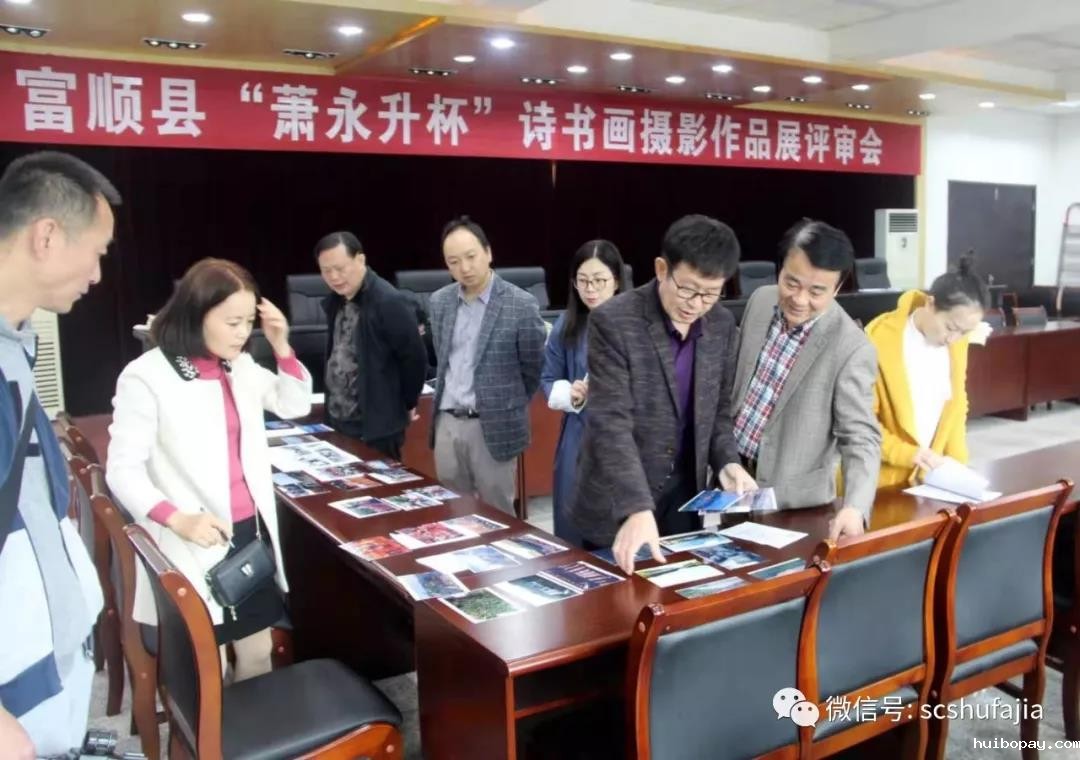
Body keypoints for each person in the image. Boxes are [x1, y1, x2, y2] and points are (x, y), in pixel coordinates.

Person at [107, 258, 311, 682]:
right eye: (232, 322)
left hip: (246, 533)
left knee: (258, 654)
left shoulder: (237, 366)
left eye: (248, 322)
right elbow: (122, 470)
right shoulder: (147, 376)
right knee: (207, 668)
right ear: (196, 313)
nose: (242, 333)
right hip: (192, 536)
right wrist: (177, 518)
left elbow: (293, 404)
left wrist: (282, 347)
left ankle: (256, 725)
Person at [0, 151, 118, 759]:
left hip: (43, 668)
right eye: (96, 252)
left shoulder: (16, 347)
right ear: (46, 236)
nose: (97, 275)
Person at [571, 215, 756, 573]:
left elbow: (717, 412)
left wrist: (727, 462)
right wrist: (636, 507)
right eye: (687, 289)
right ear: (661, 269)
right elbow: (610, 421)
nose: (696, 304)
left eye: (710, 293)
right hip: (618, 498)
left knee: (678, 593)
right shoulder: (613, 321)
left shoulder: (721, 325)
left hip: (683, 496)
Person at [731, 219, 881, 540]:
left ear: (837, 288)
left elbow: (860, 436)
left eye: (816, 291)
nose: (799, 299)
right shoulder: (760, 301)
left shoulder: (852, 348)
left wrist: (855, 507)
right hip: (732, 482)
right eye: (792, 283)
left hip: (793, 505)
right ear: (780, 270)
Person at [428, 216, 546, 514]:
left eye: (471, 257)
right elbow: (443, 360)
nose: (464, 268)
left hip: (493, 425)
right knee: (454, 513)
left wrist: (505, 405)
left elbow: (533, 369)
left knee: (498, 514)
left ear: (488, 252)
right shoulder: (439, 302)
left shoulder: (521, 304)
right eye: (454, 262)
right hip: (447, 423)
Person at [865, 253, 988, 487]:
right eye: (950, 327)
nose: (954, 338)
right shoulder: (879, 339)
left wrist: (958, 470)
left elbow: (956, 405)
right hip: (878, 481)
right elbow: (860, 423)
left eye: (964, 333)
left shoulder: (957, 344)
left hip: (931, 479)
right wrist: (907, 454)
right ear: (930, 304)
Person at [541, 240, 625, 545]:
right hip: (578, 436)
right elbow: (548, 378)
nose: (591, 289)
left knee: (618, 532)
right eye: (583, 281)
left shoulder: (637, 326)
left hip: (623, 438)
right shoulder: (567, 324)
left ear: (616, 281)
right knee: (572, 528)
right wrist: (571, 393)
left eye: (599, 281)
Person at [316, 231, 428, 459]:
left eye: (340, 268)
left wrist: (406, 404)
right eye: (326, 271)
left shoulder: (388, 301)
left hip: (375, 428)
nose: (334, 277)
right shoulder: (336, 301)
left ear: (360, 259)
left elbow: (415, 359)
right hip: (338, 419)